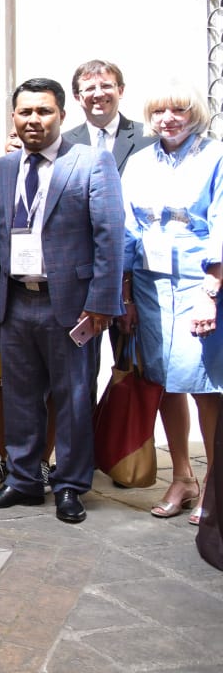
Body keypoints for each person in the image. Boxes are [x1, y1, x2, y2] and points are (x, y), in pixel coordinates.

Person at [0, 77, 124, 524]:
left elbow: (110, 236)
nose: (33, 120)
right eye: (25, 112)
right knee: (19, 397)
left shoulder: (91, 162)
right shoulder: (2, 170)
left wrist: (101, 303)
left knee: (74, 397)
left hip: (73, 306)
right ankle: (23, 481)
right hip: (16, 301)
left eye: (43, 111)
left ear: (62, 114)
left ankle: (71, 485)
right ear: (14, 118)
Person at [119, 83, 223, 525]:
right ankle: (181, 477)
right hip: (148, 283)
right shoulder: (140, 161)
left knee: (202, 384)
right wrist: (123, 294)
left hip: (199, 284)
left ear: (193, 112)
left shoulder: (215, 155)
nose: (168, 118)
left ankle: (215, 487)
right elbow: (125, 226)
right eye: (159, 111)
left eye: (178, 109)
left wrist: (210, 292)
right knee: (161, 380)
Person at [64, 59, 152, 173]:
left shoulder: (148, 136)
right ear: (77, 97)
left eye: (106, 86)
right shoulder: (65, 144)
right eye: (90, 88)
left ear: (120, 91)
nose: (99, 94)